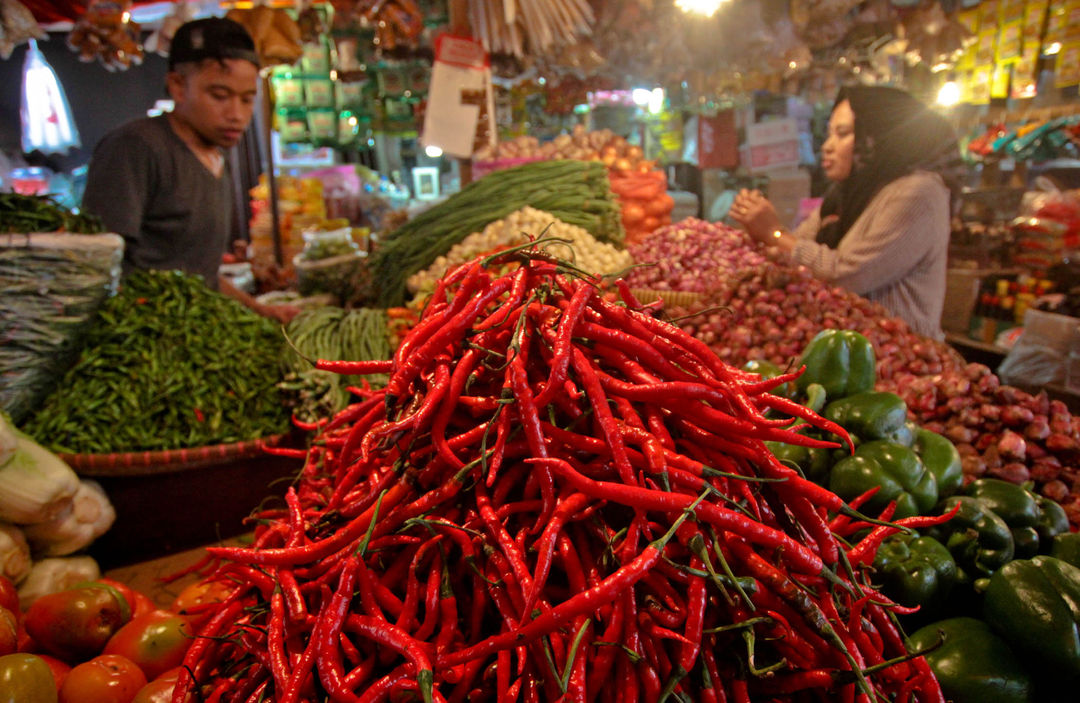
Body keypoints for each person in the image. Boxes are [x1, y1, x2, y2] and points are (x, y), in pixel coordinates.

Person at [81, 17, 298, 323]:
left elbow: (201, 275)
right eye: (220, 96)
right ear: (178, 86)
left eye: (247, 99)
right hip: (143, 343)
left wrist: (264, 312)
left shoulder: (215, 158)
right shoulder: (136, 148)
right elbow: (96, 264)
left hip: (195, 337)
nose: (236, 114)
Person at [730, 85, 958, 340]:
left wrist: (773, 233)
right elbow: (798, 250)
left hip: (899, 356)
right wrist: (760, 228)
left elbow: (847, 275)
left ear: (879, 137)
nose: (827, 147)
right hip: (846, 346)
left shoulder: (918, 193)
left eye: (843, 134)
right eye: (829, 135)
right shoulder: (845, 196)